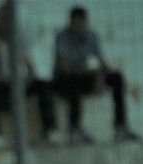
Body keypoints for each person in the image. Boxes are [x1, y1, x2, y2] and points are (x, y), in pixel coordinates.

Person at [0, 2, 57, 147]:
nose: (4, 24)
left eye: (7, 19)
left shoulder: (20, 36)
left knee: (44, 85)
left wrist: (25, 80)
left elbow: (30, 67)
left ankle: (50, 130)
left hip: (15, 84)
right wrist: (3, 79)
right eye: (1, 19)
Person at [52, 5, 138, 144]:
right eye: (74, 24)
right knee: (74, 79)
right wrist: (87, 70)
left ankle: (120, 126)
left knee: (116, 78)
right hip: (64, 81)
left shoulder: (92, 35)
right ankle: (75, 129)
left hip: (85, 77)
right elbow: (65, 67)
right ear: (70, 24)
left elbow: (101, 62)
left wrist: (100, 77)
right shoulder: (62, 36)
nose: (78, 27)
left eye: (80, 24)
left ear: (86, 23)